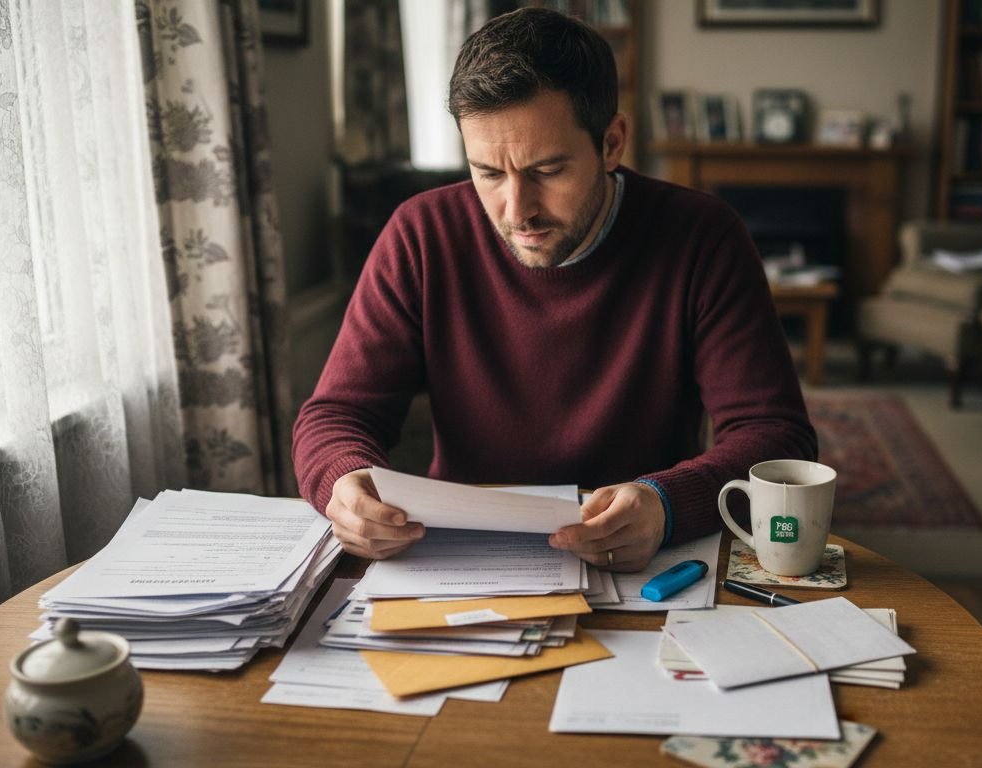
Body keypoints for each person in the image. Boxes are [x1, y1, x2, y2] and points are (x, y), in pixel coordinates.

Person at [292, 7, 817, 573]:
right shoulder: (421, 235)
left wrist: (667, 503)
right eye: (489, 173)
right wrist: (343, 482)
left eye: (547, 171)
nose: (517, 212)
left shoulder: (703, 237)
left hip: (645, 561)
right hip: (459, 558)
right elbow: (336, 415)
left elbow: (776, 437)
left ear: (612, 142)